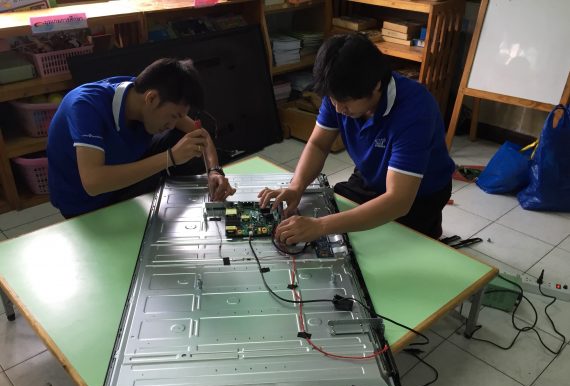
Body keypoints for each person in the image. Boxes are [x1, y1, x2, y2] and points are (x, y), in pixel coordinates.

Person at [259, 33, 455, 242]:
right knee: (338, 224)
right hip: (370, 178)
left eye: (345, 102)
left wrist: (321, 226)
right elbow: (318, 144)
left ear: (376, 85)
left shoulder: (416, 110)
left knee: (396, 247)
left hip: (419, 196)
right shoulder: (339, 93)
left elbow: (398, 201)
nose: (338, 108)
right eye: (332, 100)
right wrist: (296, 186)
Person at [47, 58, 234, 218]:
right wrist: (170, 157)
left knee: (185, 138)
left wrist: (214, 170)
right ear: (151, 99)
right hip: (86, 204)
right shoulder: (85, 106)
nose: (172, 123)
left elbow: (200, 135)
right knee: (176, 151)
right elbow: (93, 183)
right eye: (173, 116)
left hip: (124, 175)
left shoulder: (142, 93)